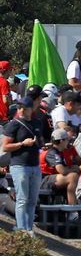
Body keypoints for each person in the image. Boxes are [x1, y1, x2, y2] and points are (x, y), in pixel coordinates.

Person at [3, 98, 47, 235]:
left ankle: (28, 228)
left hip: (34, 165)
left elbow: (40, 142)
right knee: (22, 198)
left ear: (30, 109)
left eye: (24, 107)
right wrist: (22, 144)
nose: (21, 110)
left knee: (32, 199)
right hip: (19, 165)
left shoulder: (36, 123)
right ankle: (21, 228)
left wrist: (40, 143)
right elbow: (5, 146)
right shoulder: (14, 124)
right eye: (19, 107)